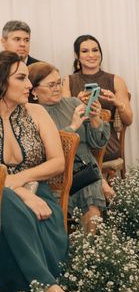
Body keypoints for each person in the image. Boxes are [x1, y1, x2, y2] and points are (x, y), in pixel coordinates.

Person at [0, 51, 71, 292]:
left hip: (37, 190)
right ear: (1, 82)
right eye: (21, 78)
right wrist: (19, 192)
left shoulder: (37, 112)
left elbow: (57, 163)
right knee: (6, 200)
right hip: (5, 196)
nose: (30, 85)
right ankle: (47, 287)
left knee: (14, 213)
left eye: (29, 77)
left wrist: (20, 181)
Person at [29, 62, 110, 231]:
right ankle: (90, 249)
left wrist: (95, 119)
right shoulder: (31, 114)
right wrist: (72, 127)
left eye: (59, 83)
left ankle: (91, 249)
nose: (57, 88)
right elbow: (41, 152)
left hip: (86, 169)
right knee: (97, 204)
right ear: (34, 91)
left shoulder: (73, 103)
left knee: (95, 209)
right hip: (58, 174)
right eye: (51, 85)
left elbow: (98, 143)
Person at [62, 35, 132, 163]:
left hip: (105, 141)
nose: (91, 55)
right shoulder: (68, 80)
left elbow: (128, 120)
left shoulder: (116, 80)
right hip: (79, 140)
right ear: (77, 56)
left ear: (100, 53)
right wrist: (75, 102)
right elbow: (64, 117)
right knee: (69, 155)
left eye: (95, 50)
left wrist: (118, 103)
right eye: (85, 51)